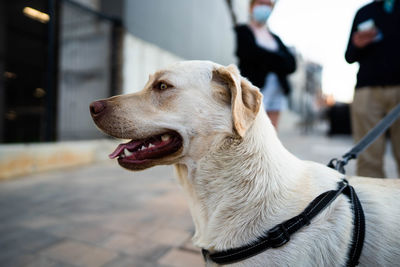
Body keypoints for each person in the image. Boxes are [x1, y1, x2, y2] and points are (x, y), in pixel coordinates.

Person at [345, 0, 400, 178]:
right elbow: (349, 55)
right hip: (367, 90)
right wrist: (358, 45)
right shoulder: (364, 12)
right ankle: (372, 202)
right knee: (368, 157)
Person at [234, 0, 296, 129]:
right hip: (255, 89)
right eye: (261, 3)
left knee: (272, 132)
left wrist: (266, 58)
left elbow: (291, 64)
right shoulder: (243, 31)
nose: (265, 7)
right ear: (251, 7)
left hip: (277, 90)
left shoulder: (275, 38)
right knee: (252, 129)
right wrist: (279, 60)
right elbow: (249, 54)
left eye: (268, 4)